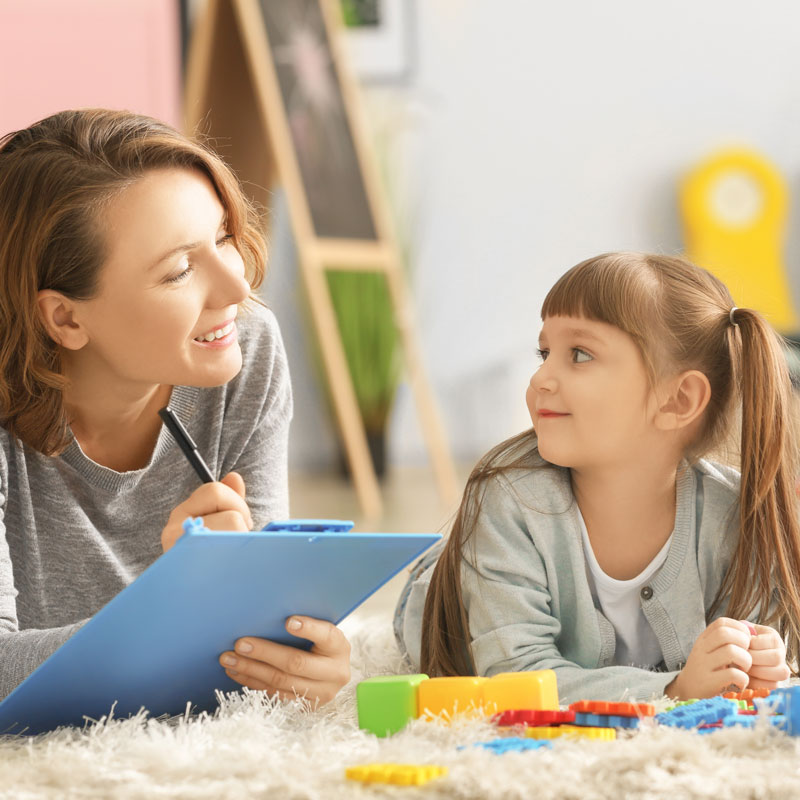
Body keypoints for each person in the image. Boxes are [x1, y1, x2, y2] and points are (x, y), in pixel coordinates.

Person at [0, 109, 350, 705]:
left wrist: (297, 658)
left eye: (222, 239)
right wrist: (175, 608)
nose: (238, 289)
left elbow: (258, 628)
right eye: (180, 270)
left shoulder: (244, 343)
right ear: (65, 316)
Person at [395, 252, 798, 704]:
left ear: (679, 400)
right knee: (448, 579)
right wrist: (672, 688)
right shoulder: (508, 499)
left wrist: (754, 658)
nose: (541, 377)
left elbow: (745, 654)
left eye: (579, 355)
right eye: (545, 353)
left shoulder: (735, 512)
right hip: (452, 600)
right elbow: (513, 678)